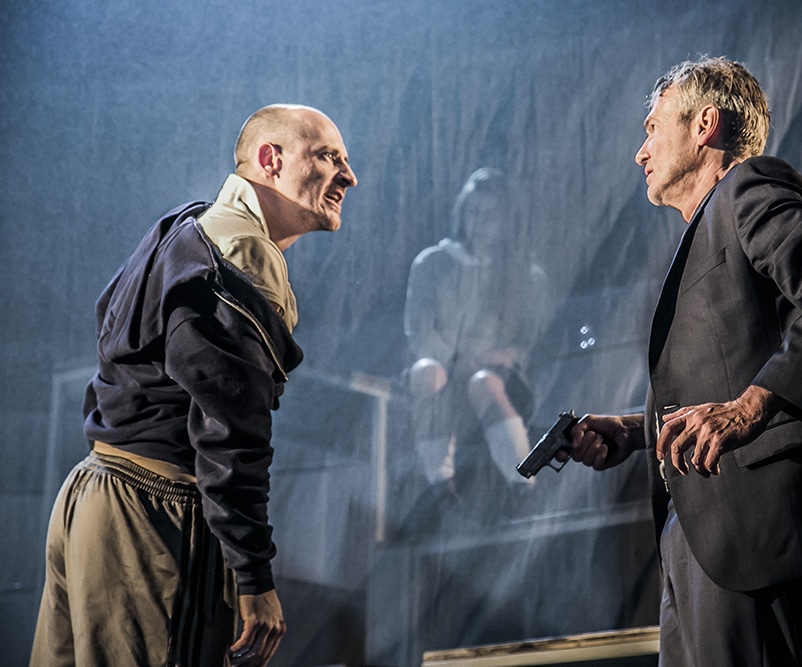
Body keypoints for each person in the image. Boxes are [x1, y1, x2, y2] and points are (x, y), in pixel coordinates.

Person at [564, 57, 802, 666]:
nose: (641, 152)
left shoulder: (750, 186)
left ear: (704, 124)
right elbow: (731, 361)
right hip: (699, 529)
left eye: (652, 127)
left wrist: (752, 407)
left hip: (748, 524)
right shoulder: (709, 228)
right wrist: (638, 432)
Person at [31, 104, 358, 667]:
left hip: (91, 500)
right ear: (270, 160)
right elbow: (232, 429)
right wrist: (253, 575)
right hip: (150, 520)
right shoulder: (240, 253)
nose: (348, 177)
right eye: (328, 157)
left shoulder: (186, 226)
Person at [403, 167, 550, 492]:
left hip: (499, 374)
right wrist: (452, 357)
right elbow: (418, 327)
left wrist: (505, 355)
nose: (480, 222)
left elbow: (532, 337)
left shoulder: (526, 275)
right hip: (444, 366)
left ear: (504, 220)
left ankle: (522, 481)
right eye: (474, 212)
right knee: (427, 372)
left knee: (485, 383)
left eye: (489, 215)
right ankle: (439, 482)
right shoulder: (433, 263)